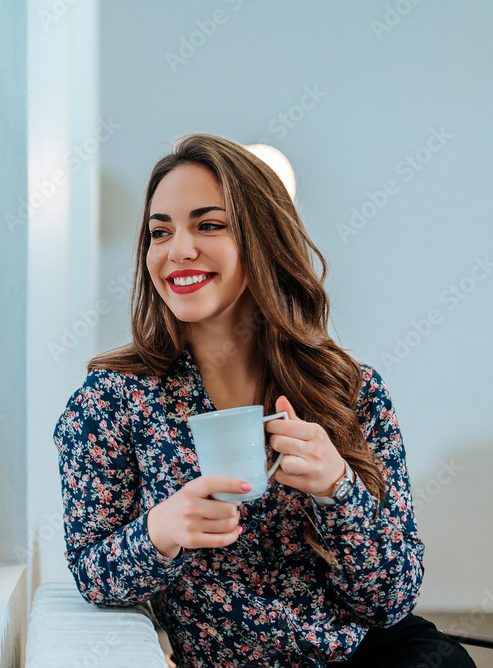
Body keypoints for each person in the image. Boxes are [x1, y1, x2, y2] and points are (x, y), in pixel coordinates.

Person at [53, 134, 476, 667]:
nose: (177, 250)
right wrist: (158, 532)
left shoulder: (350, 388)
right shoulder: (112, 402)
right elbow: (92, 574)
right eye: (160, 232)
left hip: (370, 653)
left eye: (209, 225)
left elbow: (392, 598)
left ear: (262, 238)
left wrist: (336, 489)